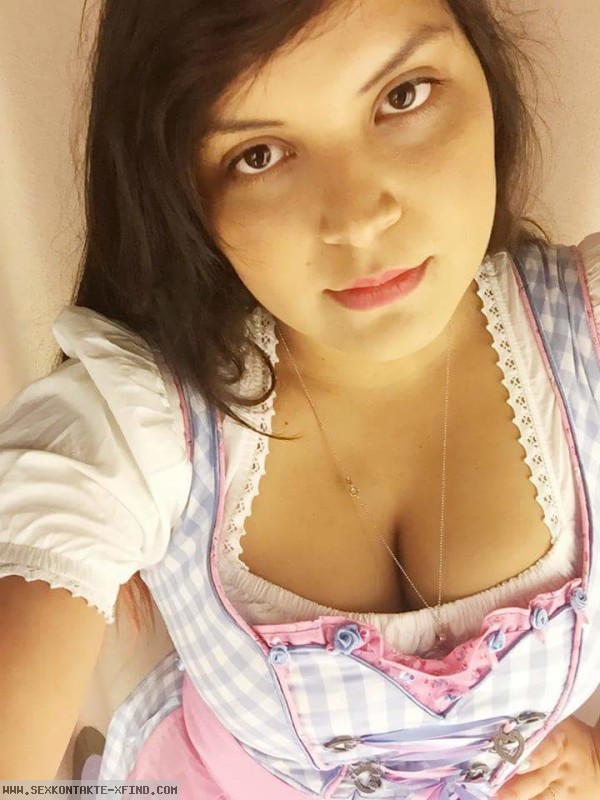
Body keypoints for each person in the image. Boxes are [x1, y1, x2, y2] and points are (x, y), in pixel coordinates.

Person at [0, 0, 599, 797]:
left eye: (403, 96)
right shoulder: (136, 425)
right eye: (259, 155)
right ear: (181, 191)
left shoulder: (587, 336)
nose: (359, 221)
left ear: (484, 72)